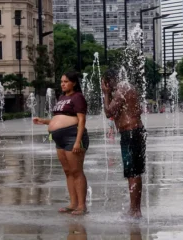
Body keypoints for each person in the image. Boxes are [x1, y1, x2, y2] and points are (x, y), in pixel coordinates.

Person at [33, 71, 89, 215]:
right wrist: (44, 121)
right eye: (61, 81)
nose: (62, 84)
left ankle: (82, 206)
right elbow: (58, 118)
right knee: (68, 172)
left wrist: (77, 141)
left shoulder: (78, 97)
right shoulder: (62, 97)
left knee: (77, 171)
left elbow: (81, 120)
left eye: (65, 81)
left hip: (73, 137)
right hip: (59, 140)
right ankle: (73, 203)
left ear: (74, 83)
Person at [102, 67, 146, 219]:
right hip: (135, 132)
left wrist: (106, 93)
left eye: (105, 84)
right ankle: (135, 209)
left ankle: (135, 210)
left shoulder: (121, 89)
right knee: (134, 172)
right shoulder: (128, 88)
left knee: (132, 172)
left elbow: (108, 112)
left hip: (131, 133)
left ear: (109, 81)